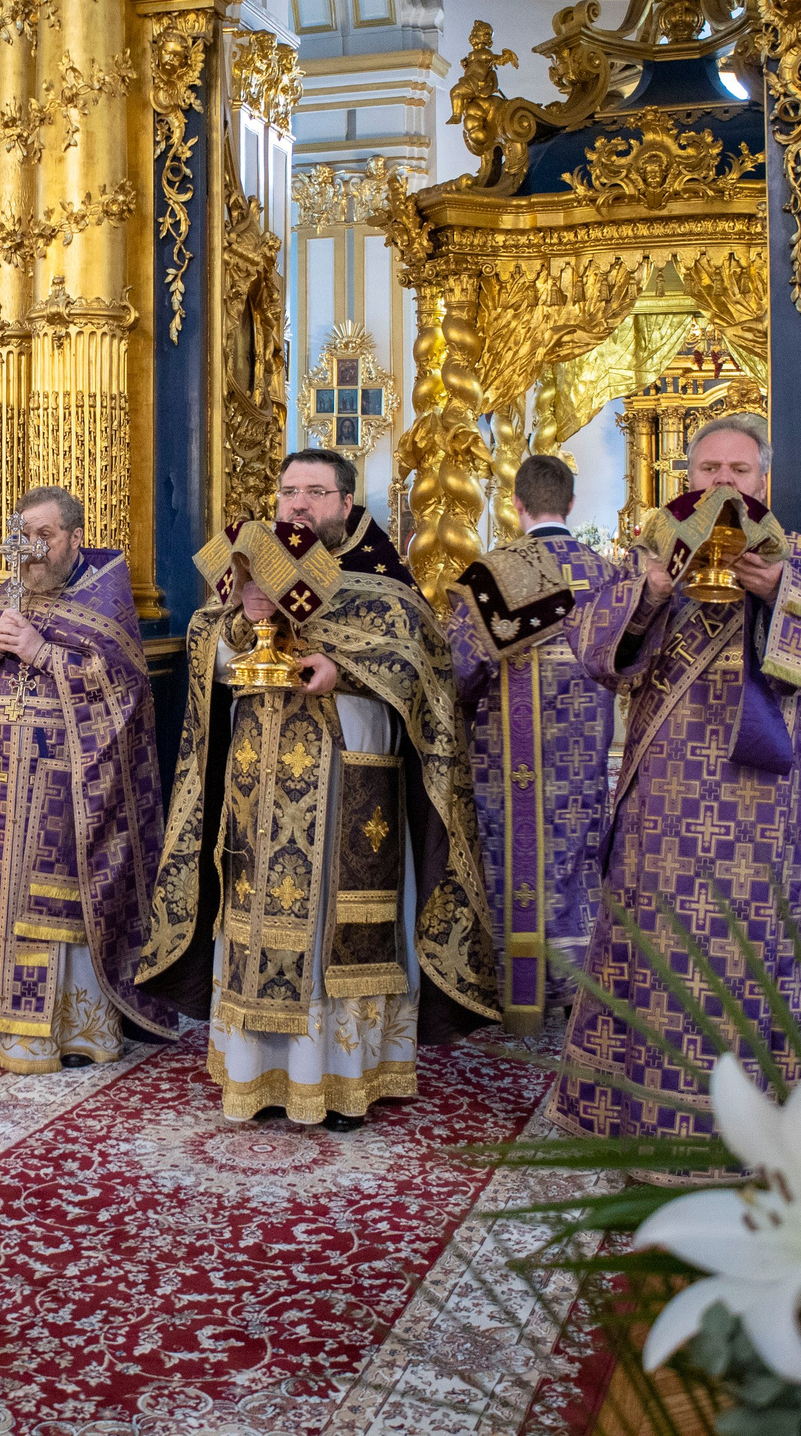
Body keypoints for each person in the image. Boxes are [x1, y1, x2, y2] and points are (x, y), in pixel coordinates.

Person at [139, 448, 504, 1127]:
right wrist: (245, 615)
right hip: (257, 784)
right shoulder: (251, 565)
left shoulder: (383, 581)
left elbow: (422, 666)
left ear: (345, 503)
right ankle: (257, 1076)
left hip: (348, 786)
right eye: (287, 492)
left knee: (337, 931)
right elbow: (208, 658)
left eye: (314, 492)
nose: (297, 505)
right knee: (253, 922)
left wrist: (345, 668)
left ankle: (343, 1081)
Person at [548, 412, 801, 1139]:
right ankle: (641, 1122)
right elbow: (592, 646)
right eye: (708, 472)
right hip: (664, 808)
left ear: (763, 482)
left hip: (763, 808)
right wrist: (655, 592)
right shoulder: (647, 555)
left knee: (749, 959)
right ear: (686, 480)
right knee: (659, 953)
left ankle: (757, 1131)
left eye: (737, 472)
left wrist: (777, 594)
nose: (722, 484)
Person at [0, 487, 181, 1072]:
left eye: (44, 536)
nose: (31, 549)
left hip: (68, 787)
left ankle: (70, 1030)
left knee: (56, 905)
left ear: (75, 538)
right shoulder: (5, 599)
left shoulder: (104, 599)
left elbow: (122, 691)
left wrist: (40, 652)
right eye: (23, 537)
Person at [451, 453, 617, 1024]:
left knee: (508, 853)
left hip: (506, 748)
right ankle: (576, 986)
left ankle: (511, 982)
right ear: (571, 504)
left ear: (515, 504)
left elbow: (463, 669)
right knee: (576, 851)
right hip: (585, 742)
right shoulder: (606, 573)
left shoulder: (492, 570)